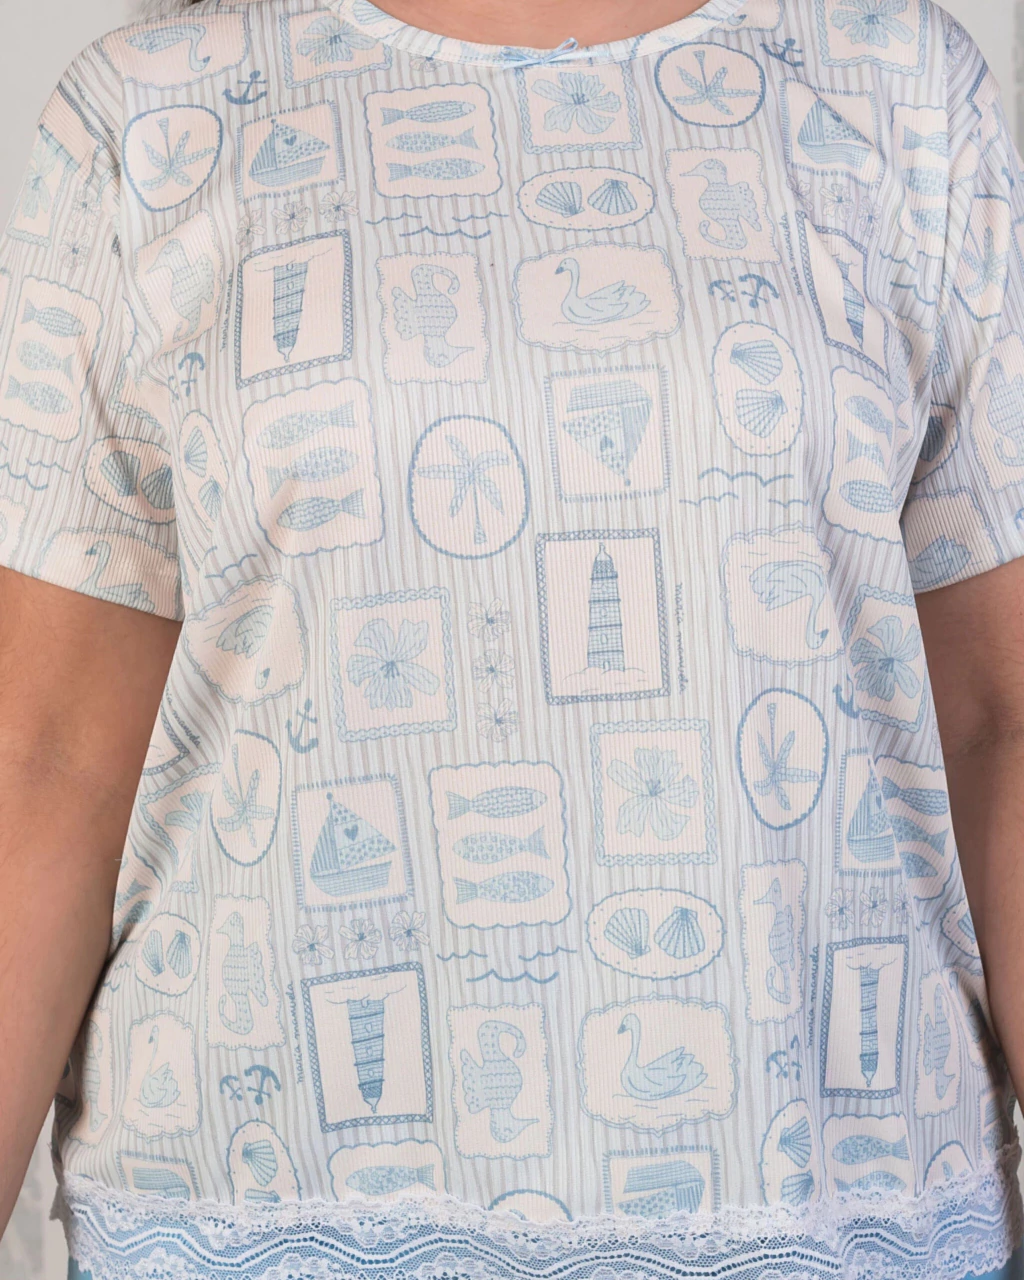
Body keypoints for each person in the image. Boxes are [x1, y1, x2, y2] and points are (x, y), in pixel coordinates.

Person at [2, 0, 1024, 1274]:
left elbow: (999, 723)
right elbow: (50, 759)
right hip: (259, 1202)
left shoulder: (900, 92)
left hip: (819, 1197)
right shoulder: (150, 118)